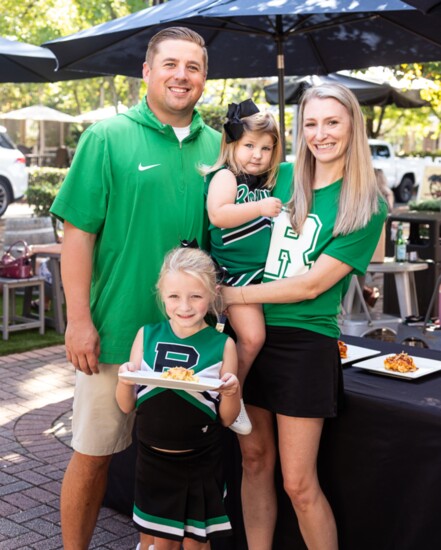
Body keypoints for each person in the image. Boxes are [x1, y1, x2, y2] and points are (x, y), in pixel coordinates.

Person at [49, 27, 221, 550]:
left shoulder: (220, 147)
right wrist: (79, 320)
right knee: (94, 454)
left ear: (205, 78)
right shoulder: (107, 137)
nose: (181, 75)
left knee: (183, 458)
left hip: (194, 339)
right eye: (170, 64)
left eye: (193, 67)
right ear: (146, 71)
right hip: (119, 330)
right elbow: (77, 236)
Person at [222, 83, 388, 550]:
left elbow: (313, 285)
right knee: (253, 461)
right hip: (248, 334)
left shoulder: (366, 203)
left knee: (298, 482)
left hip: (303, 343)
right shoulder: (280, 175)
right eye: (310, 123)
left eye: (332, 122)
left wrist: (231, 295)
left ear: (352, 125)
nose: (321, 134)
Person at [116, 247, 240, 550]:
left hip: (200, 463)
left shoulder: (223, 345)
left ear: (211, 295)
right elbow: (126, 404)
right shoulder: (146, 336)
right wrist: (124, 379)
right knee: (154, 542)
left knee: (195, 543)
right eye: (174, 297)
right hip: (151, 461)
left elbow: (226, 417)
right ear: (162, 295)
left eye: (195, 296)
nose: (184, 306)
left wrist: (232, 391)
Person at [203, 99, 282, 435]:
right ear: (232, 144)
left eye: (266, 148)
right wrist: (261, 208)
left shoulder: (261, 183)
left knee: (259, 337)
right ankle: (230, 395)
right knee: (252, 337)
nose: (257, 154)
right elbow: (219, 214)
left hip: (261, 275)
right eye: (249, 145)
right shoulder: (226, 177)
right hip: (236, 275)